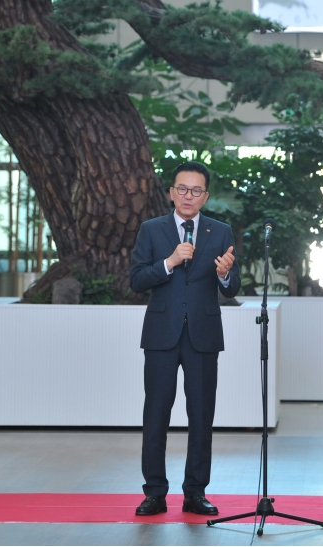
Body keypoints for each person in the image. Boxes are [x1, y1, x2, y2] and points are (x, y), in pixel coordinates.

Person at [129, 161, 240, 516]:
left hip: (203, 336)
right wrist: (169, 262)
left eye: (195, 190)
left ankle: (195, 491)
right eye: (182, 188)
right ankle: (154, 492)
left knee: (201, 415)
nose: (188, 196)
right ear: (171, 192)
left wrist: (224, 276)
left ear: (205, 196)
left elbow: (233, 284)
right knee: (156, 414)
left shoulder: (220, 231)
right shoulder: (152, 229)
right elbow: (137, 280)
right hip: (162, 334)